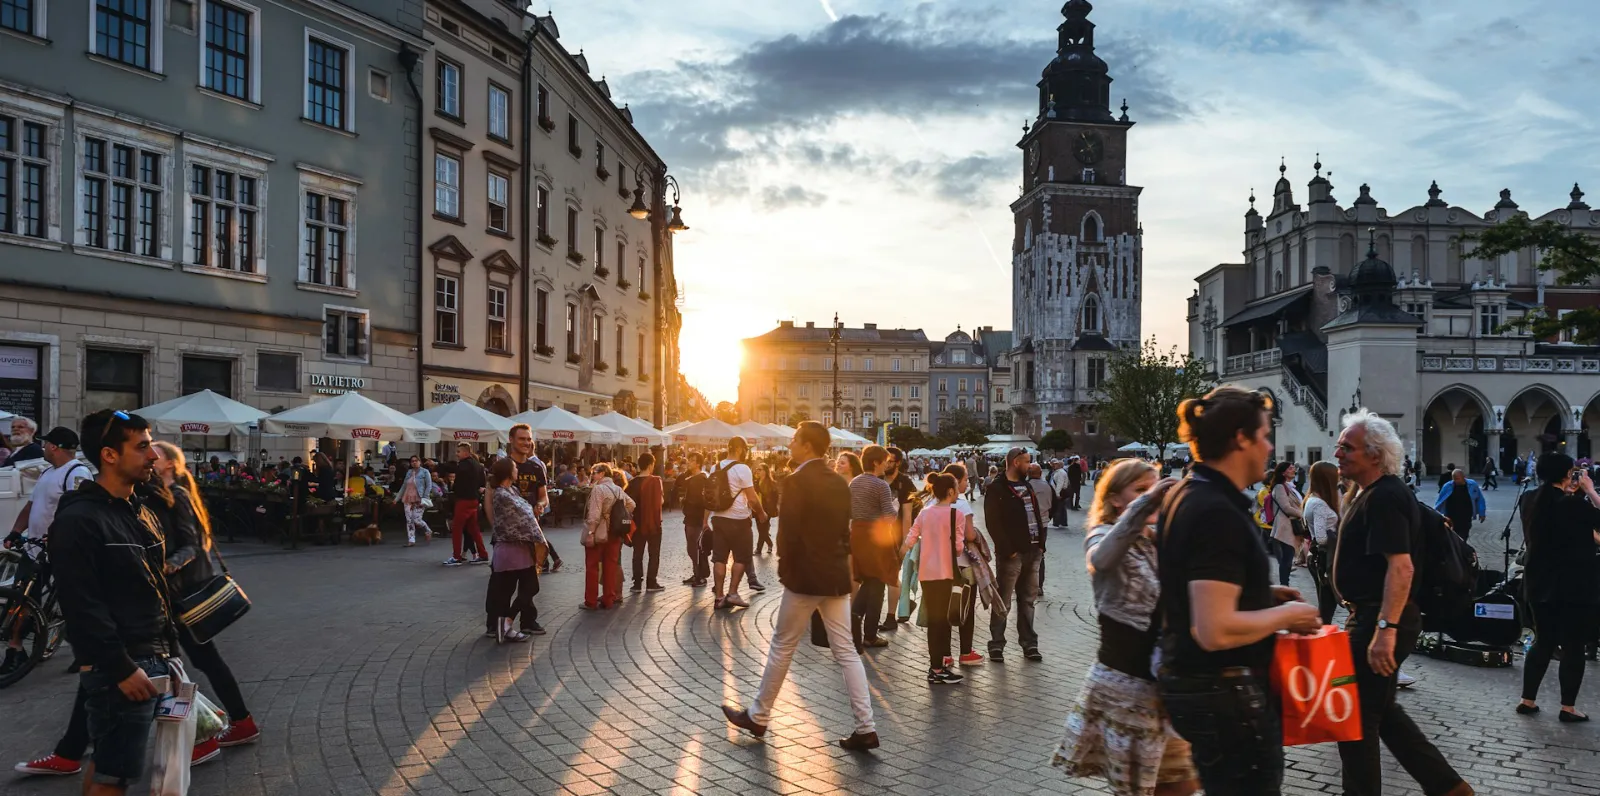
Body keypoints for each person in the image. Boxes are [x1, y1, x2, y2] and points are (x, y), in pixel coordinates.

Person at [1155, 386, 1322, 795]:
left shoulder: (1188, 493)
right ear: (1240, 438)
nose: (1269, 447)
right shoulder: (1216, 510)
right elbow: (1214, 628)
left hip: (1200, 686)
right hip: (1226, 694)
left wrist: (1262, 598)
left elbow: (1196, 588)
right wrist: (1289, 616)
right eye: (1264, 435)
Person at [1333, 410, 1473, 796]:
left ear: (1375, 455)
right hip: (1371, 616)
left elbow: (1402, 567)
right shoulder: (1367, 493)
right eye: (1339, 445)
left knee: (1357, 722)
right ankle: (1448, 787)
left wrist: (1384, 630)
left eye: (1347, 447)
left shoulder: (1387, 497)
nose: (1338, 452)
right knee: (1385, 714)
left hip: (1380, 619)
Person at [721, 422, 879, 751]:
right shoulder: (838, 481)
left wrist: (784, 568)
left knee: (782, 645)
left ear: (807, 446)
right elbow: (843, 529)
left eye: (794, 440)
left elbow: (787, 533)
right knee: (847, 652)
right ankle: (866, 727)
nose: (790, 444)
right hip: (834, 574)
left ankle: (759, 716)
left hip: (805, 577)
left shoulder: (795, 481)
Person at [46, 410, 176, 795]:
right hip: (122, 666)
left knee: (109, 767)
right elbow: (81, 606)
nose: (153, 455)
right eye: (142, 446)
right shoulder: (80, 519)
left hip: (149, 659)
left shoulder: (141, 511)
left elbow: (155, 588)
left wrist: (170, 654)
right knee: (114, 775)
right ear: (109, 455)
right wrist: (121, 668)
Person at [1053, 459, 1198, 796]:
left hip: (1166, 684)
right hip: (1127, 685)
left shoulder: (1157, 538)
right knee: (1138, 789)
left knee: (1183, 783)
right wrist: (1146, 504)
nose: (1151, 497)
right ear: (1116, 499)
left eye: (1153, 489)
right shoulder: (1104, 533)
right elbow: (1101, 560)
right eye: (1140, 490)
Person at [148, 442, 260, 759]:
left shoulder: (179, 497)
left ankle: (213, 731)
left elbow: (193, 545)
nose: (149, 458)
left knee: (182, 662)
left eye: (155, 455)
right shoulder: (159, 495)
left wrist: (165, 564)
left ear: (169, 463)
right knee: (194, 661)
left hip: (180, 593)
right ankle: (231, 723)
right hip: (171, 593)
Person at [1517, 452, 1600, 722]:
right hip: (1573, 586)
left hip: (1539, 584)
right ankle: (1568, 707)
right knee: (1573, 646)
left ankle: (1527, 700)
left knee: (1543, 641)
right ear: (1567, 474)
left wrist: (1571, 492)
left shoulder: (1528, 499)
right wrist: (1590, 490)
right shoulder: (1574, 505)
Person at [900, 471, 981, 684]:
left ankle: (936, 666)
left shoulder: (925, 513)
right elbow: (957, 549)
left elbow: (910, 538)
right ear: (951, 491)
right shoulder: (957, 515)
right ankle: (938, 668)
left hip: (927, 574)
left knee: (934, 620)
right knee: (943, 621)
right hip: (946, 573)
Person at [983, 447, 1047, 662]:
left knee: (1028, 600)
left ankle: (1029, 644)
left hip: (1033, 550)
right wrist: (1007, 549)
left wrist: (1041, 545)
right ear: (1015, 462)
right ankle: (997, 644)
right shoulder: (997, 488)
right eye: (1027, 461)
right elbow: (993, 522)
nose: (1029, 465)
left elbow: (1037, 514)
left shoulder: (1027, 486)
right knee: (1003, 601)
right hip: (1012, 553)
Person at [484, 458, 545, 641]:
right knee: (507, 592)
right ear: (508, 472)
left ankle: (506, 624)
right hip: (510, 549)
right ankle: (504, 626)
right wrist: (540, 539)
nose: (517, 470)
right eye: (515, 468)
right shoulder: (502, 494)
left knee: (530, 587)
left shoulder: (513, 490)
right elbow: (524, 518)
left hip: (520, 548)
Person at [849, 446, 900, 651]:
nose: (887, 464)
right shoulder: (881, 486)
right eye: (885, 461)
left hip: (858, 534)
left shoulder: (854, 482)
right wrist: (895, 509)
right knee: (878, 581)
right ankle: (869, 635)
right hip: (876, 537)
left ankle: (854, 620)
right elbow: (889, 517)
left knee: (869, 580)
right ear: (876, 463)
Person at [5, 427, 91, 546]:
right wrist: (16, 531)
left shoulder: (77, 473)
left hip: (57, 553)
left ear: (53, 447)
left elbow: (80, 513)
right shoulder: (47, 472)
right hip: (34, 550)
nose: (43, 448)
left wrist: (60, 536)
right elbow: (31, 506)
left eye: (46, 443)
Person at [709, 437, 766, 610]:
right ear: (740, 449)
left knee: (719, 558)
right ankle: (732, 594)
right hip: (739, 520)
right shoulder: (743, 469)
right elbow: (752, 498)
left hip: (718, 518)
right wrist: (761, 513)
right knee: (741, 557)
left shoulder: (715, 467)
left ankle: (719, 597)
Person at [506, 424, 562, 573]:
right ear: (511, 439)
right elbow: (491, 498)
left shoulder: (536, 468)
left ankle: (547, 562)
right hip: (508, 532)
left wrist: (540, 504)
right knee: (504, 582)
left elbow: (544, 497)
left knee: (530, 585)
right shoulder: (503, 466)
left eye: (528, 439)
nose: (526, 442)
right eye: (521, 439)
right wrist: (495, 525)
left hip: (531, 526)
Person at [581, 464, 634, 610]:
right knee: (610, 566)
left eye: (594, 472)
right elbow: (631, 504)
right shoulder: (618, 489)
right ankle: (608, 599)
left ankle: (590, 601)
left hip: (599, 532)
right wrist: (615, 516)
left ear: (602, 473)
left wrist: (591, 532)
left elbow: (594, 514)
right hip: (615, 532)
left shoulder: (599, 489)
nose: (592, 475)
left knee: (592, 566)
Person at [1302, 461, 1342, 625]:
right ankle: (1321, 636)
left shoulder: (1313, 499)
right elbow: (1321, 537)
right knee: (1327, 604)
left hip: (1319, 556)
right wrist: (1338, 535)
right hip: (1324, 557)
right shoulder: (1318, 504)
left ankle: (1322, 633)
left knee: (1327, 603)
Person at [445, 443, 488, 566]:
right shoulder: (478, 466)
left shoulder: (463, 465)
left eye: (458, 452)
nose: (457, 454)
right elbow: (481, 484)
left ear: (465, 452)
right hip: (474, 500)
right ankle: (483, 554)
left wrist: (455, 487)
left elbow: (458, 482)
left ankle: (457, 556)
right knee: (474, 529)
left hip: (463, 499)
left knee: (457, 528)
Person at [628, 452, 665, 592]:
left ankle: (637, 584)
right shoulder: (656, 480)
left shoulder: (632, 482)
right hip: (654, 523)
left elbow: (628, 503)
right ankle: (651, 583)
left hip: (637, 523)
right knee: (654, 554)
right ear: (650, 465)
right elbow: (661, 501)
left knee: (637, 553)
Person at [1266, 461, 1304, 586]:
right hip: (1285, 526)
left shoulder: (1290, 486)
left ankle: (1285, 585)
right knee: (1286, 560)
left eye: (1293, 468)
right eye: (1290, 468)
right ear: (1283, 473)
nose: (1293, 469)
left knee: (1288, 558)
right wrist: (1302, 514)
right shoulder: (1280, 487)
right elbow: (1286, 508)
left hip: (1290, 526)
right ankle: (1284, 586)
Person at [679, 453, 711, 586]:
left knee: (696, 548)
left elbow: (703, 501)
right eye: (689, 460)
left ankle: (701, 576)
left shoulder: (701, 478)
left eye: (692, 461)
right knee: (691, 547)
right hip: (689, 516)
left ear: (698, 463)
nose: (689, 463)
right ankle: (696, 573)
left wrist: (704, 520)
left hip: (696, 517)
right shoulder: (690, 478)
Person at [1433, 469, 1487, 541]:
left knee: (1463, 537)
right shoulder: (1447, 486)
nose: (1456, 481)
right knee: (1452, 537)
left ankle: (1461, 550)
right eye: (1454, 479)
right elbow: (1439, 501)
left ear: (1464, 477)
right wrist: (1436, 515)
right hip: (1451, 516)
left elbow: (1480, 499)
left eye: (1458, 479)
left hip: (1466, 516)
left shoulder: (1472, 485)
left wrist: (1482, 513)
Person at [399, 455, 434, 546]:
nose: (414, 462)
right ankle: (411, 540)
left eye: (416, 460)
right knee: (409, 520)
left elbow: (429, 485)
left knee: (416, 519)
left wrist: (425, 497)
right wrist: (397, 498)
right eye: (412, 461)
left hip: (419, 498)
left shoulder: (425, 472)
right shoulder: (409, 472)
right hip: (408, 498)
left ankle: (427, 530)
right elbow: (404, 485)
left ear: (419, 462)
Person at [753, 462, 780, 556]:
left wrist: (770, 510)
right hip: (757, 510)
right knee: (761, 530)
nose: (757, 471)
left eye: (760, 469)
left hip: (766, 511)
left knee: (763, 530)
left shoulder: (772, 484)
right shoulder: (755, 482)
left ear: (765, 471)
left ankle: (758, 549)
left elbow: (775, 499)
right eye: (757, 469)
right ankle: (770, 544)